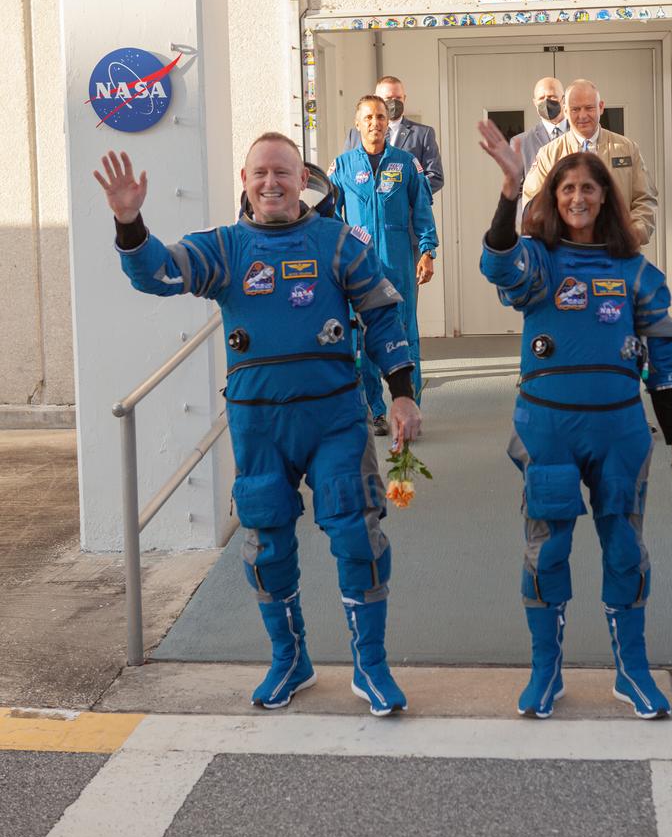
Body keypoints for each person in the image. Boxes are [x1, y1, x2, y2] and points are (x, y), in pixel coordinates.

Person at [94, 135, 421, 717]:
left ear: (305, 181)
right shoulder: (224, 248)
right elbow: (158, 274)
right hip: (258, 425)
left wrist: (400, 395)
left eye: (284, 173)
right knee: (266, 543)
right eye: (261, 173)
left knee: (357, 538)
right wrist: (129, 222)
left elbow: (381, 315)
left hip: (335, 420)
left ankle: (371, 666)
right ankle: (289, 660)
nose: (272, 183)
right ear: (244, 178)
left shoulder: (341, 243)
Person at [477, 119, 672, 720]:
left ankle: (632, 671)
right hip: (547, 430)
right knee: (546, 552)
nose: (578, 198)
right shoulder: (539, 261)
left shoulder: (637, 274)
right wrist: (509, 187)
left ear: (608, 199)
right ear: (553, 198)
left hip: (619, 432)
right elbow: (497, 263)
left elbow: (661, 368)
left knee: (625, 550)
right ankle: (545, 672)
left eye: (590, 189)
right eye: (566, 189)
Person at [330, 96, 438, 435]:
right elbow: (332, 219)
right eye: (368, 117)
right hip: (359, 267)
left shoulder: (406, 164)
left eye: (380, 116)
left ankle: (410, 409)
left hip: (398, 264)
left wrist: (427, 251)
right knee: (363, 338)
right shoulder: (343, 166)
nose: (375, 122)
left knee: (404, 335)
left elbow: (422, 212)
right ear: (357, 123)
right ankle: (377, 411)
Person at [522, 78, 658, 245]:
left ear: (601, 107)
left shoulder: (627, 149)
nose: (582, 115)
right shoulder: (549, 154)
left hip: (617, 253)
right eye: (575, 109)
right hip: (566, 256)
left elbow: (645, 200)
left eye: (589, 108)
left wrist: (632, 233)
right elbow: (533, 205)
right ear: (565, 110)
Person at [344, 75, 444, 196]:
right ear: (377, 99)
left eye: (398, 98)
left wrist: (405, 193)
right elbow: (346, 173)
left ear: (404, 98)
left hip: (405, 212)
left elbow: (435, 177)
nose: (394, 103)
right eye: (388, 98)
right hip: (366, 210)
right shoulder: (355, 134)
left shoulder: (423, 134)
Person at [512, 76, 567, 176]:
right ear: (535, 103)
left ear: (563, 99)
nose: (546, 102)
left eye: (552, 96)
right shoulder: (521, 143)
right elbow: (517, 188)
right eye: (541, 98)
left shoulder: (581, 134)